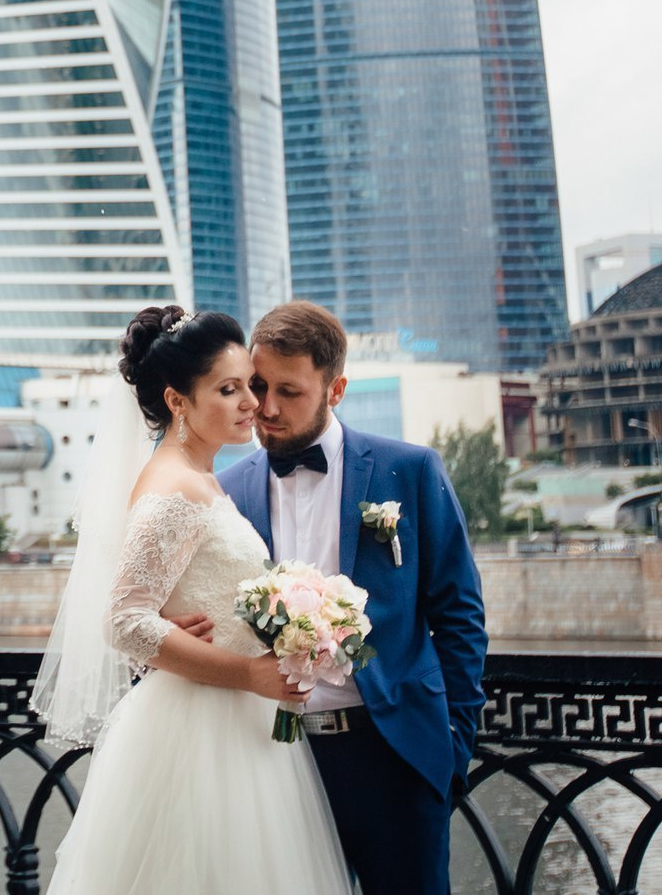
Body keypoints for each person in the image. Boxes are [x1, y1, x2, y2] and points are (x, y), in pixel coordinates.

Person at [33, 304, 354, 895]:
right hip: (202, 733)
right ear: (178, 401)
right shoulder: (175, 488)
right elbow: (124, 621)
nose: (253, 404)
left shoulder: (200, 478)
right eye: (229, 390)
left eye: (250, 386)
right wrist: (249, 673)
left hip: (239, 723)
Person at [218, 300, 488, 895]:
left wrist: (452, 746)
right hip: (275, 762)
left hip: (393, 754)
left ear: (335, 389)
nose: (267, 407)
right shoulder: (226, 490)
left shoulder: (410, 470)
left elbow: (460, 617)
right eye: (258, 386)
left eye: (289, 391)